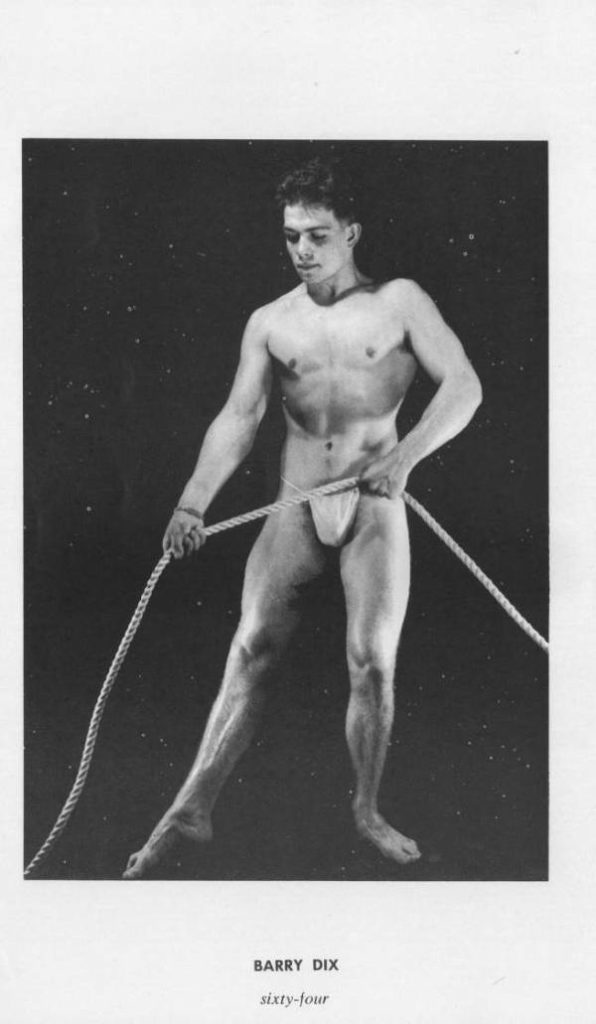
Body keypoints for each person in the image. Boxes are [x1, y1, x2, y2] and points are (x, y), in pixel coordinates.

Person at [123, 157, 482, 879]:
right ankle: (191, 807)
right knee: (250, 648)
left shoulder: (400, 303)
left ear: (352, 232)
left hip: (375, 502)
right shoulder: (271, 322)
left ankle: (367, 808)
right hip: (296, 500)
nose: (303, 250)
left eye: (318, 235)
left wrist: (404, 457)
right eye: (292, 237)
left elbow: (464, 388)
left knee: (371, 661)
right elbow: (240, 416)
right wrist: (192, 502)